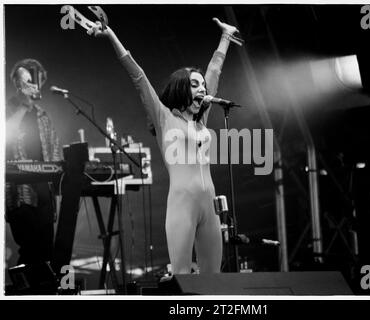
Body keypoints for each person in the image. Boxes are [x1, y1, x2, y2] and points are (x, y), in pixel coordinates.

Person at [87, 17, 240, 274]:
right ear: (181, 88)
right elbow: (138, 76)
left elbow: (214, 72)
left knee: (213, 281)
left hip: (210, 206)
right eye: (194, 84)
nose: (202, 88)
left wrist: (225, 36)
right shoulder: (164, 118)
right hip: (182, 205)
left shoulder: (202, 119)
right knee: (181, 278)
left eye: (202, 85)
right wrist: (112, 35)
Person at [5, 59, 62, 266]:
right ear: (18, 85)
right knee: (29, 250)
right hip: (20, 191)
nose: (32, 85)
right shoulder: (8, 109)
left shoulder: (43, 116)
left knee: (46, 249)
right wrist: (23, 106)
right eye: (27, 81)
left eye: (35, 81)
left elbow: (55, 152)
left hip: (44, 190)